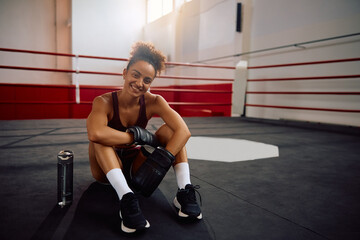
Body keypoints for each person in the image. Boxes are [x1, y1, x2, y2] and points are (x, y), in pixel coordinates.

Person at [86, 41, 202, 233]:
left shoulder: (154, 101)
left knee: (171, 131)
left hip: (136, 166)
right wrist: (134, 138)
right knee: (101, 138)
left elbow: (184, 131)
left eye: (147, 80)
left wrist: (160, 161)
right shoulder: (104, 102)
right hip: (105, 167)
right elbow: (95, 133)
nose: (140, 83)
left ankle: (184, 191)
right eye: (135, 75)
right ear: (124, 73)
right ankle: (126, 199)